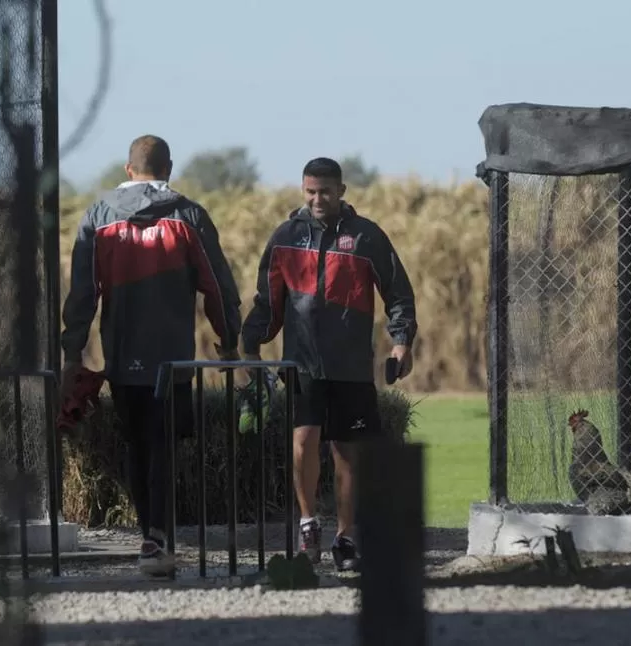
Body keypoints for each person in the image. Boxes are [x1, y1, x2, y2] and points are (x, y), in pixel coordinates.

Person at [60, 134, 242, 576]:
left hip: (121, 356)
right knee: (162, 447)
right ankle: (157, 538)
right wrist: (229, 339)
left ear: (128, 170)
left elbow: (83, 292)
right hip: (173, 361)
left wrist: (72, 352)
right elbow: (216, 285)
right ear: (169, 169)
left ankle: (150, 537)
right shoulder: (189, 215)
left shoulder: (98, 216)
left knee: (138, 446)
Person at [241, 157, 418, 572]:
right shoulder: (285, 237)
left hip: (352, 366)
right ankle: (308, 525)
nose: (317, 199)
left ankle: (346, 537)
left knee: (347, 453)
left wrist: (401, 342)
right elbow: (268, 301)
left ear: (341, 191)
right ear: (303, 191)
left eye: (324, 191)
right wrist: (250, 347)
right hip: (301, 365)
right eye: (310, 191)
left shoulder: (366, 237)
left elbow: (398, 293)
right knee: (303, 442)